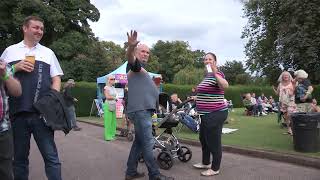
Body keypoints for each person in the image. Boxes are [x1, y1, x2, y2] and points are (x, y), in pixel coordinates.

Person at [1, 16, 64, 180]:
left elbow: (57, 78)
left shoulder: (48, 52)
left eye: (42, 29)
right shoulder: (10, 51)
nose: (40, 31)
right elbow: (2, 76)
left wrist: (52, 98)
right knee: (19, 160)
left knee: (51, 158)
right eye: (36, 27)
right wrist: (15, 66)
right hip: (17, 113)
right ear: (25, 28)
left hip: (41, 114)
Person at [125, 30, 173, 180]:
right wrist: (131, 47)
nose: (146, 54)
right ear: (137, 53)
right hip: (140, 111)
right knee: (147, 143)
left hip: (142, 110)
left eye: (148, 52)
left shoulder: (143, 71)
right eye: (143, 51)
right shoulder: (134, 66)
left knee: (139, 144)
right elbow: (131, 60)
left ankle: (131, 172)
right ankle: (155, 175)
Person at [193, 52, 229, 176]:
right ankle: (205, 162)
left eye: (210, 59)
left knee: (213, 141)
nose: (207, 61)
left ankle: (215, 168)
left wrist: (214, 72)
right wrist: (197, 97)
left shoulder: (217, 73)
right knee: (203, 138)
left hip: (215, 113)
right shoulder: (207, 76)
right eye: (205, 59)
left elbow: (225, 86)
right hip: (205, 114)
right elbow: (208, 92)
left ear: (215, 62)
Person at [0, 59, 22, 180]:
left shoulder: (2, 65)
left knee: (6, 173)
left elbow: (17, 91)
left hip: (2, 130)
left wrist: (5, 74)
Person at [273, 71, 297, 135]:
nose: (285, 76)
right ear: (282, 77)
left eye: (287, 75)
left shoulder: (292, 83)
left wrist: (292, 91)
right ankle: (289, 130)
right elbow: (277, 93)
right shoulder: (280, 84)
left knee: (290, 114)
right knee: (286, 116)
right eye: (284, 75)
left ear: (289, 76)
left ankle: (293, 129)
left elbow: (295, 91)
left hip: (291, 101)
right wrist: (273, 89)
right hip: (283, 102)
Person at [103, 75, 117, 141]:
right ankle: (107, 136)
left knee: (113, 121)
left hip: (113, 104)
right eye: (112, 79)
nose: (113, 80)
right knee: (108, 121)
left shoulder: (113, 88)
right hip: (108, 104)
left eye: (114, 79)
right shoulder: (106, 87)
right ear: (108, 80)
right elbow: (107, 97)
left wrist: (115, 98)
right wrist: (114, 98)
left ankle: (112, 134)